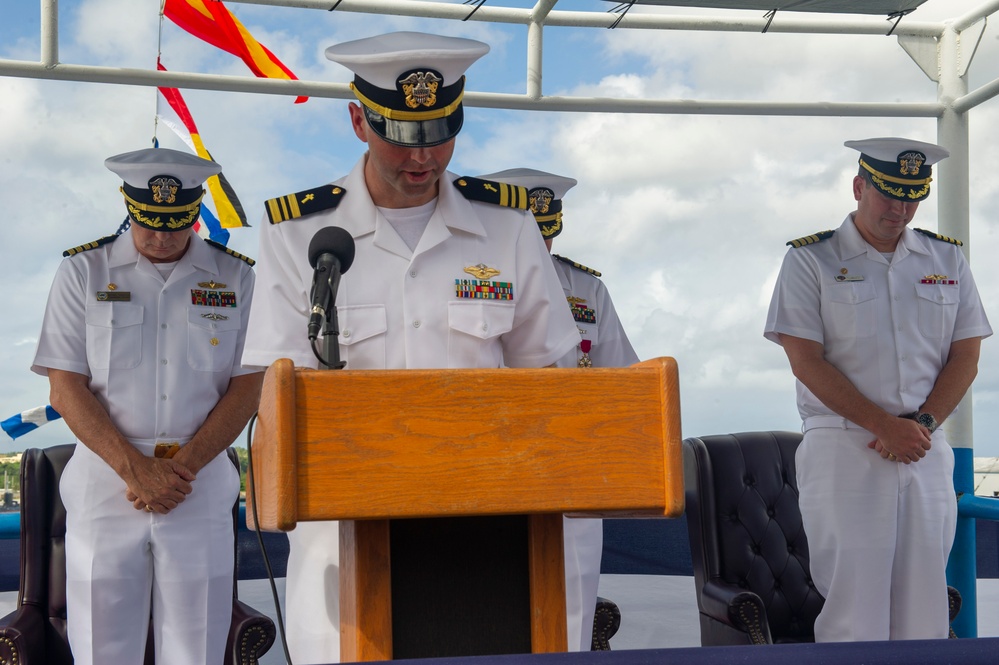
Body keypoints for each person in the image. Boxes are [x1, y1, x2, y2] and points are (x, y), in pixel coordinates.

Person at [240, 32, 580, 663]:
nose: (422, 157)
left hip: (487, 531)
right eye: (400, 135)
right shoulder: (300, 234)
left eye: (440, 133)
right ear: (356, 119)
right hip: (343, 539)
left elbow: (551, 380)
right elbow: (277, 391)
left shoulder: (507, 226)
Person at [31, 148, 262, 664]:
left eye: (176, 224)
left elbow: (248, 388)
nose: (161, 237)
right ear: (128, 206)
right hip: (107, 485)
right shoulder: (83, 271)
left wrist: (180, 470)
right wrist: (135, 470)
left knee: (198, 648)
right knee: (102, 649)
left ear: (197, 209)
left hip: (197, 488)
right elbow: (65, 387)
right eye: (150, 223)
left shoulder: (237, 277)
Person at [764, 137, 991, 642]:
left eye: (913, 196)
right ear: (858, 186)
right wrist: (884, 425)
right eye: (888, 194)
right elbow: (805, 360)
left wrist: (920, 425)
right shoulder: (811, 260)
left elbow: (966, 355)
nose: (901, 209)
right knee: (854, 607)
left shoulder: (946, 260)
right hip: (845, 445)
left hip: (924, 447)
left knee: (926, 605)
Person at [478, 167, 640, 650]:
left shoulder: (586, 290)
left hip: (573, 473)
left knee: (571, 615)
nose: (540, 251)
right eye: (529, 236)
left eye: (546, 236)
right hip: (490, 473)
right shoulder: (468, 279)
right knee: (483, 615)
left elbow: (623, 382)